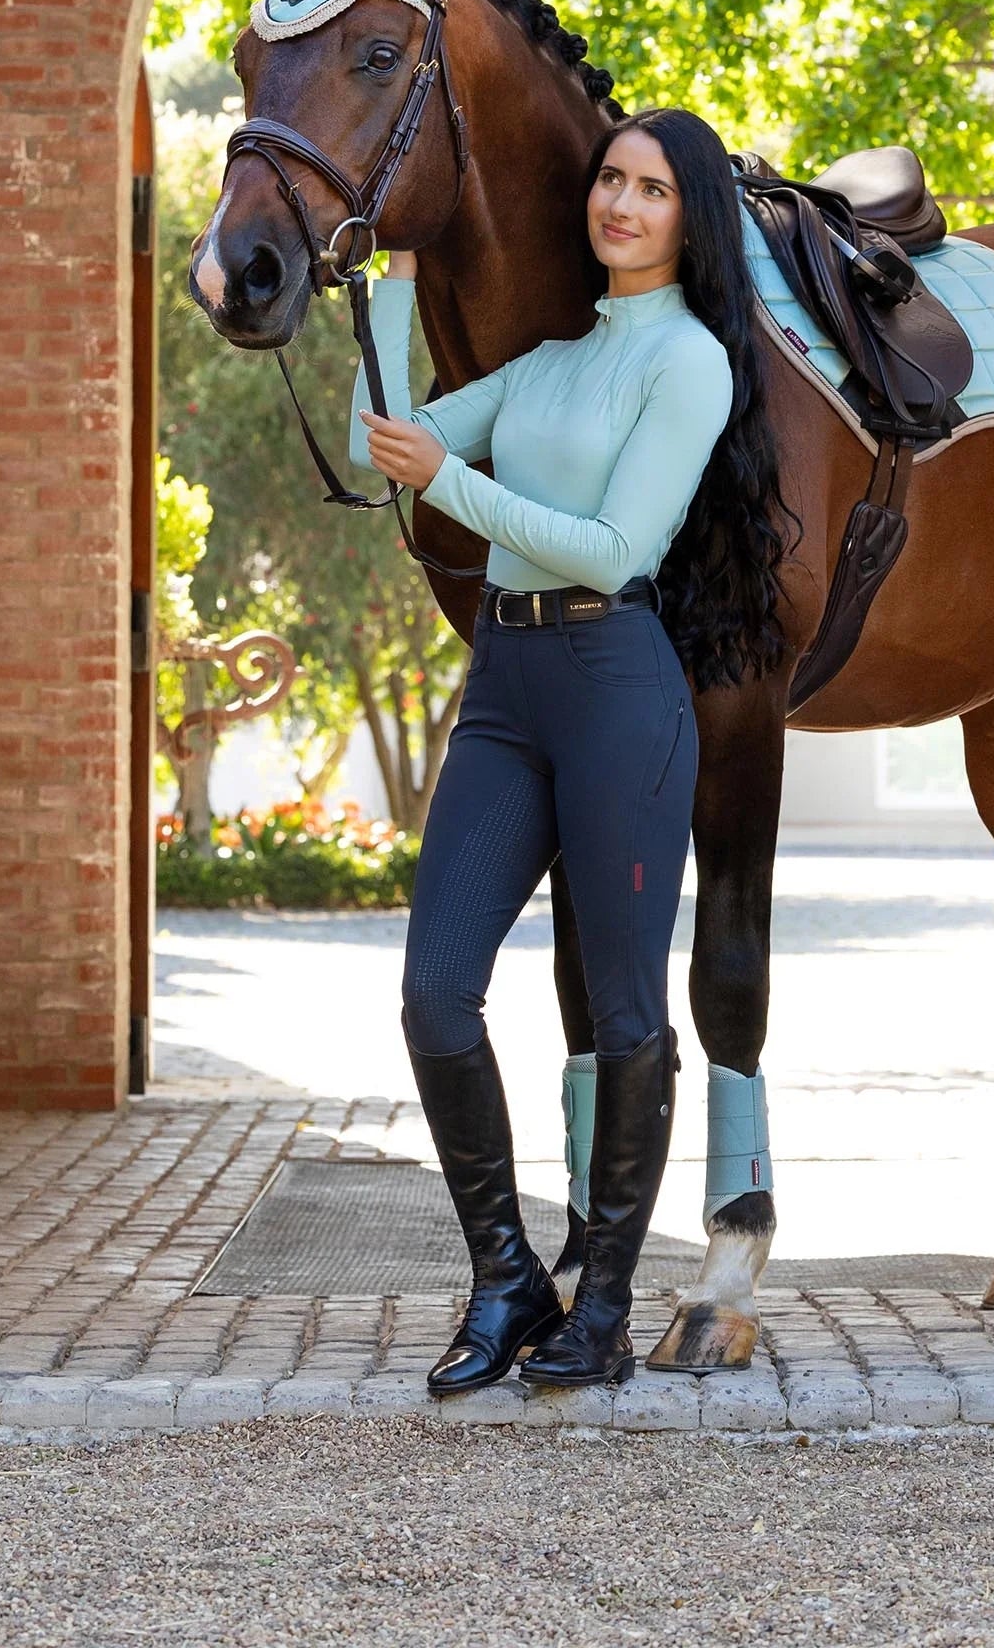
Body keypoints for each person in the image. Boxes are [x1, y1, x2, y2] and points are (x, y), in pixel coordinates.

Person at [351, 106, 793, 1392]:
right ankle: (505, 1282)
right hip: (506, 687)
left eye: (652, 189)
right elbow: (396, 437)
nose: (620, 203)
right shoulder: (546, 365)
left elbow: (612, 548)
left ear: (686, 217)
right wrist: (384, 285)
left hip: (614, 685)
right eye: (610, 179)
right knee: (435, 992)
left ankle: (601, 1306)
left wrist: (450, 477)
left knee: (624, 1012)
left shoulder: (690, 365)